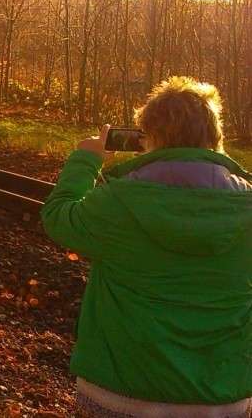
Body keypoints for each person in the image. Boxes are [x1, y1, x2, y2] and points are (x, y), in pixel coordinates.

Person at [41, 76, 252, 417]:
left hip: (121, 393)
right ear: (215, 137)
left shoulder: (118, 200)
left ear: (149, 137)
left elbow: (57, 217)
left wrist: (85, 160)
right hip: (221, 397)